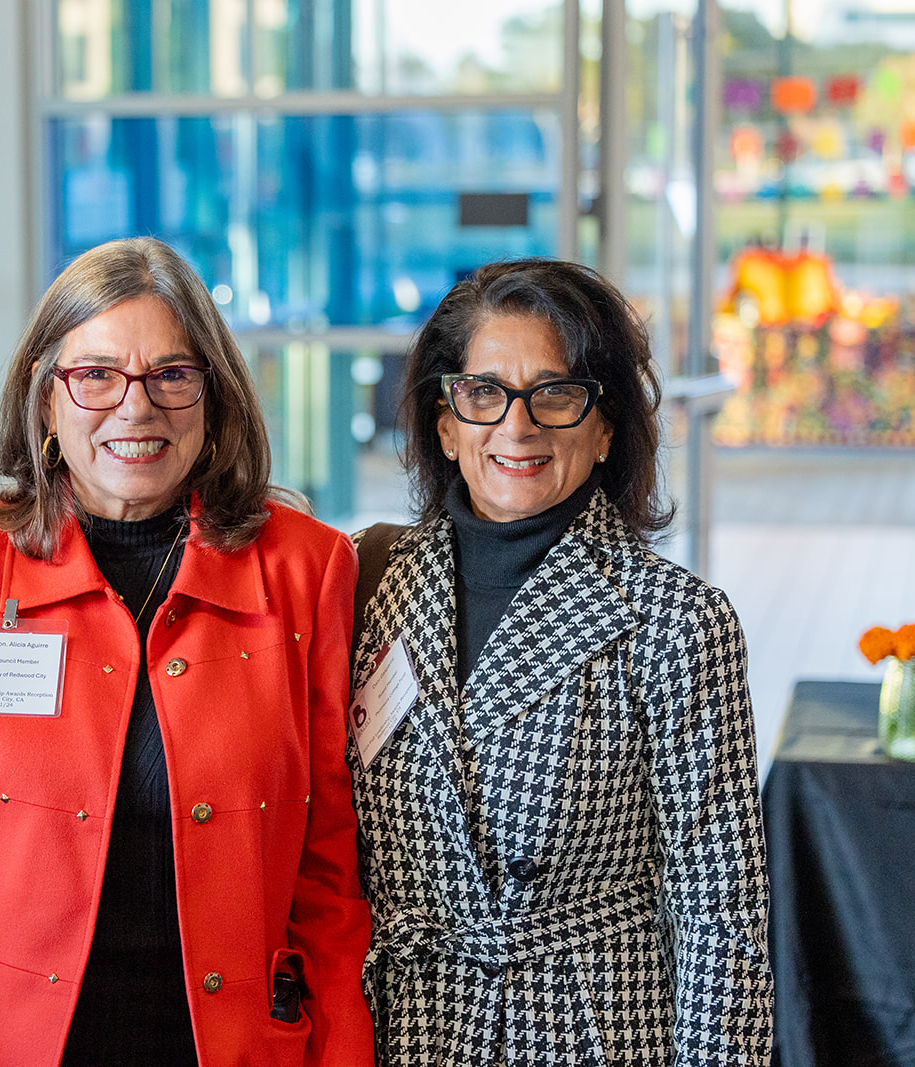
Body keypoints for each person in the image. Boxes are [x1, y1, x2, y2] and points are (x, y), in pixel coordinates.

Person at [0, 236, 373, 1066]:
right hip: (4, 1045)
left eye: (172, 374)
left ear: (214, 395)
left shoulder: (308, 569)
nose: (136, 406)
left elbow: (329, 871)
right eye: (95, 375)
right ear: (45, 398)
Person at [349, 258, 771, 1063]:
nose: (518, 426)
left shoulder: (677, 621)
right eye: (484, 393)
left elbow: (721, 914)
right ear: (446, 422)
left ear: (605, 427)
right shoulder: (366, 586)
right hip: (400, 1027)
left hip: (585, 1030)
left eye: (556, 393)